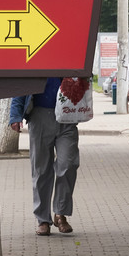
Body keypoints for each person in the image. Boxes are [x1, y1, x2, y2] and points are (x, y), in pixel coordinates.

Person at [9, 77, 80, 236]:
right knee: (41, 170)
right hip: (39, 115)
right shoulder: (36, 56)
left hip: (67, 117)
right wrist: (15, 115)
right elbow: (22, 84)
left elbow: (82, 80)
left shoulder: (70, 57)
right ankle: (43, 220)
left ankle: (60, 213)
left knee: (68, 164)